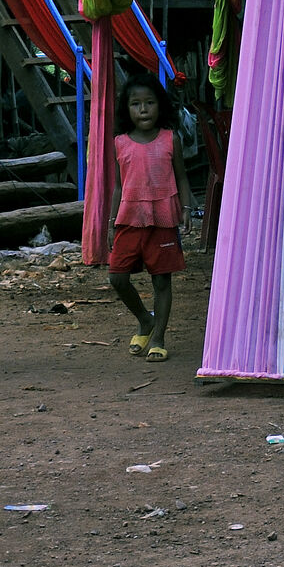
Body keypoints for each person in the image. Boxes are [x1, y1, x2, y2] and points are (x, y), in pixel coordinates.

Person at [106, 72, 192, 362]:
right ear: (126, 109)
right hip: (129, 218)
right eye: (136, 104)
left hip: (163, 218)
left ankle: (158, 338)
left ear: (160, 105)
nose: (143, 110)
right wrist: (111, 222)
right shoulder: (120, 143)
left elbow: (182, 178)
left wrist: (186, 209)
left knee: (162, 281)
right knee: (117, 277)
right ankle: (145, 319)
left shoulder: (170, 139)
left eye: (150, 103)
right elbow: (119, 186)